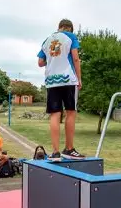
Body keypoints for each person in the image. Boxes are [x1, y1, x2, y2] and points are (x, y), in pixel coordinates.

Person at [37, 18, 86, 161]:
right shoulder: (71, 37)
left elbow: (40, 62)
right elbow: (76, 58)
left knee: (55, 114)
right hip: (68, 79)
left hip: (52, 81)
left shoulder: (47, 40)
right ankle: (69, 149)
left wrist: (53, 60)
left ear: (59, 27)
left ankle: (55, 152)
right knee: (70, 112)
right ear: (70, 29)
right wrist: (79, 78)